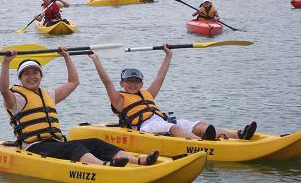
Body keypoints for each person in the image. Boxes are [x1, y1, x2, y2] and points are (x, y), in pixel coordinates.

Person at [0, 47, 159, 167]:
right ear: (20, 78)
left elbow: (73, 82)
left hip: (55, 142)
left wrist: (66, 57)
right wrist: (6, 63)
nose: (32, 77)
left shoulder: (48, 95)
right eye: (26, 74)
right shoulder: (16, 99)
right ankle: (105, 166)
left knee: (95, 142)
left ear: (41, 76)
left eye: (35, 73)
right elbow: (4, 90)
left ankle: (139, 160)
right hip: (34, 146)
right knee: (73, 147)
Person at [88, 45, 257, 141]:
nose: (133, 85)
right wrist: (96, 60)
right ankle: (202, 142)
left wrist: (168, 55)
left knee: (199, 124)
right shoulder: (119, 99)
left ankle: (239, 134)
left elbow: (160, 76)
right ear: (122, 83)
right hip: (145, 126)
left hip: (161, 120)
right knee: (174, 128)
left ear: (141, 83)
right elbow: (106, 81)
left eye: (136, 82)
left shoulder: (147, 93)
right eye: (129, 82)